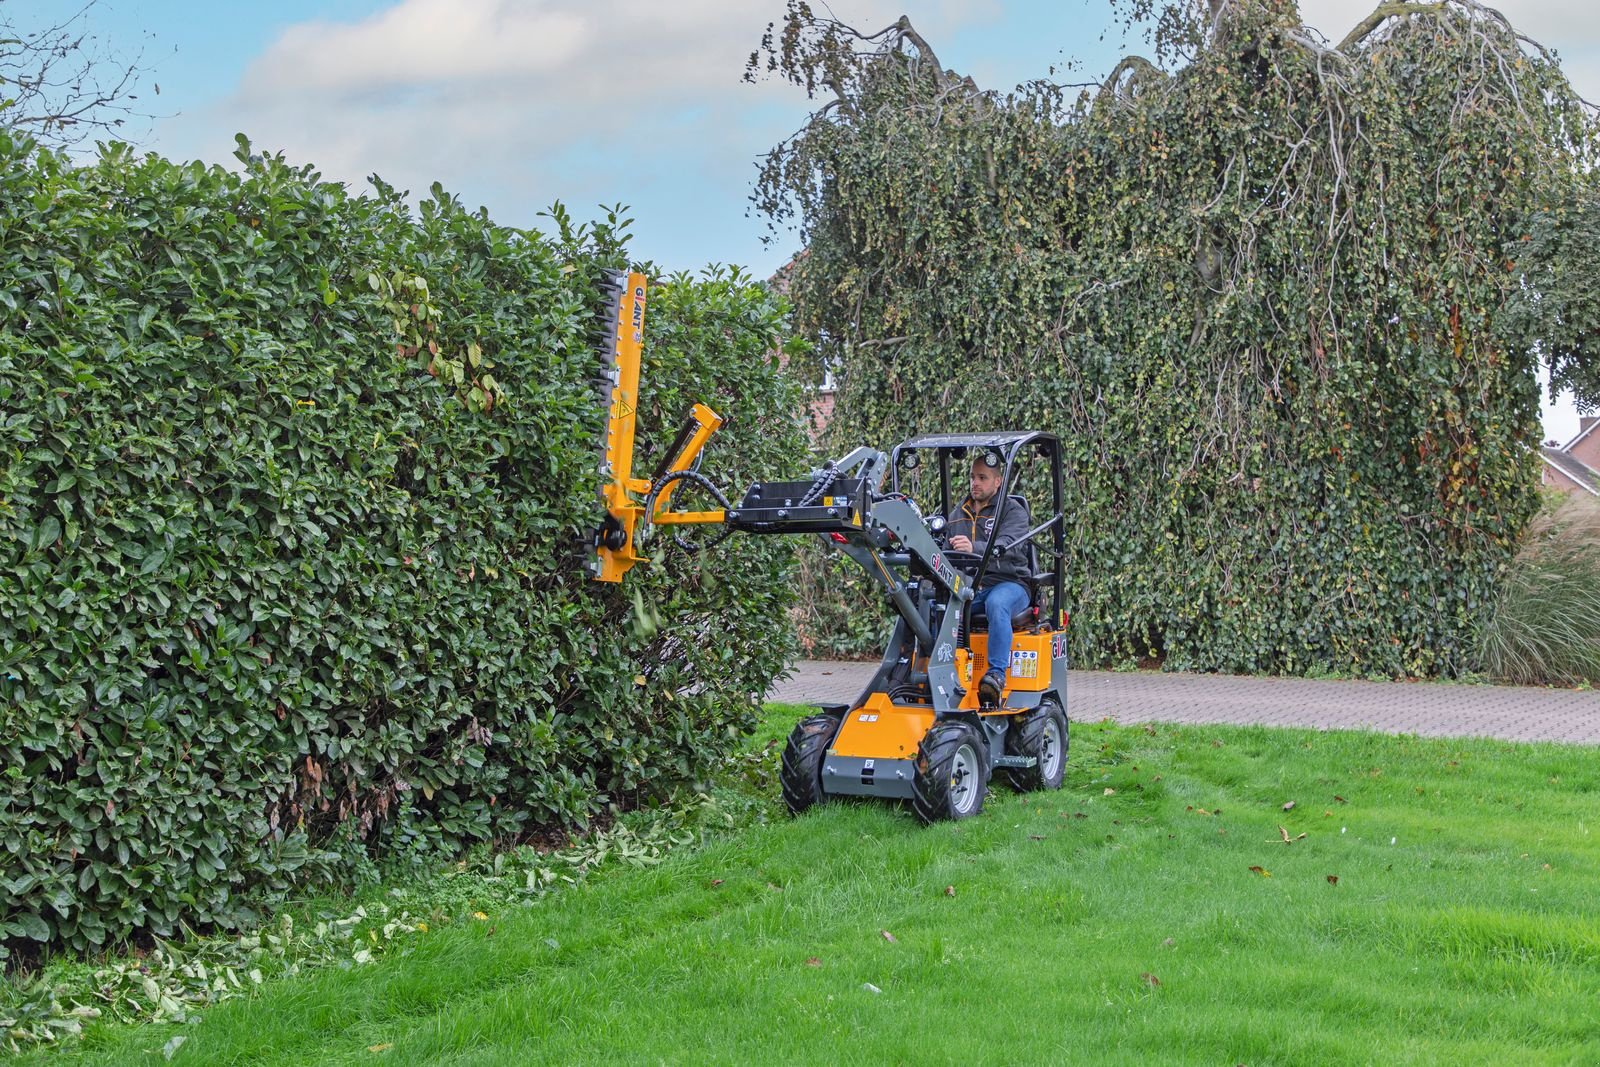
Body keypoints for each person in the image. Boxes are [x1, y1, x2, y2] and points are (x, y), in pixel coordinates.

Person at [947, 450, 1033, 704]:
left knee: (998, 604)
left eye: (982, 478)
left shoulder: (1012, 511)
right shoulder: (956, 514)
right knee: (932, 604)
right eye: (973, 477)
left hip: (1010, 583)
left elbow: (1009, 545)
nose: (975, 483)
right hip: (971, 587)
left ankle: (996, 675)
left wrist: (973, 547)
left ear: (998, 482)